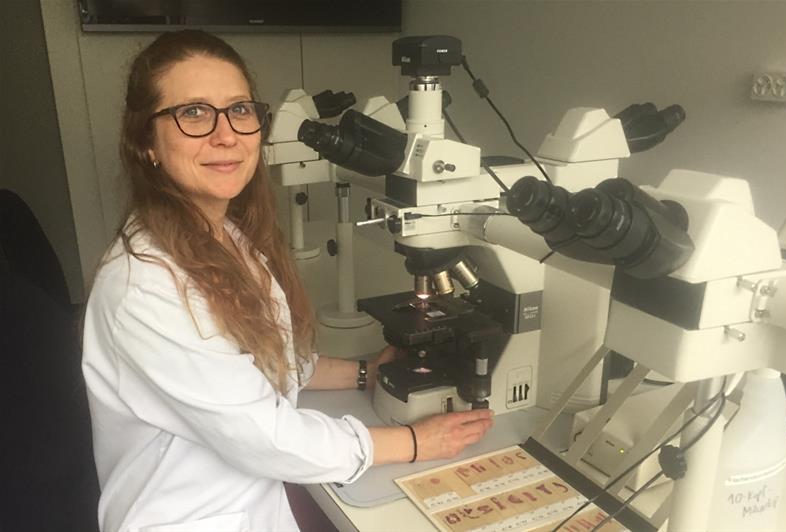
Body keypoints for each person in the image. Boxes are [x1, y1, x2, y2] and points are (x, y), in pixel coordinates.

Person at [82, 29, 493, 532]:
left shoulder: (224, 236)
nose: (225, 134)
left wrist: (364, 372)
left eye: (239, 110)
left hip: (250, 509)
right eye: (192, 113)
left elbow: (263, 363)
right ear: (147, 141)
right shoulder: (145, 286)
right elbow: (265, 437)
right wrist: (414, 444)